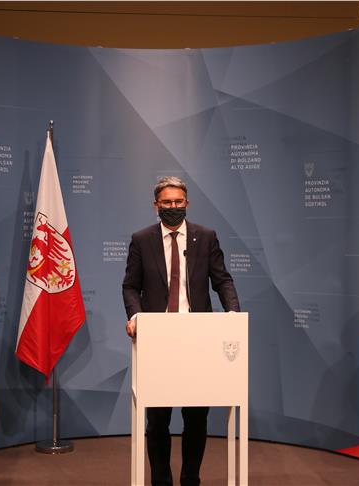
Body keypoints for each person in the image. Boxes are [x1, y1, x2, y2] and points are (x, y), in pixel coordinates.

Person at [122, 176, 240, 486]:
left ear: (187, 203)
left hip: (198, 338)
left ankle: (191, 479)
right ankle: (161, 480)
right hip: (157, 339)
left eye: (178, 202)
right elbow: (131, 286)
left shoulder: (206, 236)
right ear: (156, 206)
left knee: (196, 415)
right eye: (167, 202)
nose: (173, 207)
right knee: (158, 418)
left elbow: (222, 280)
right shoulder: (141, 239)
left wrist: (233, 314)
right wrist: (135, 316)